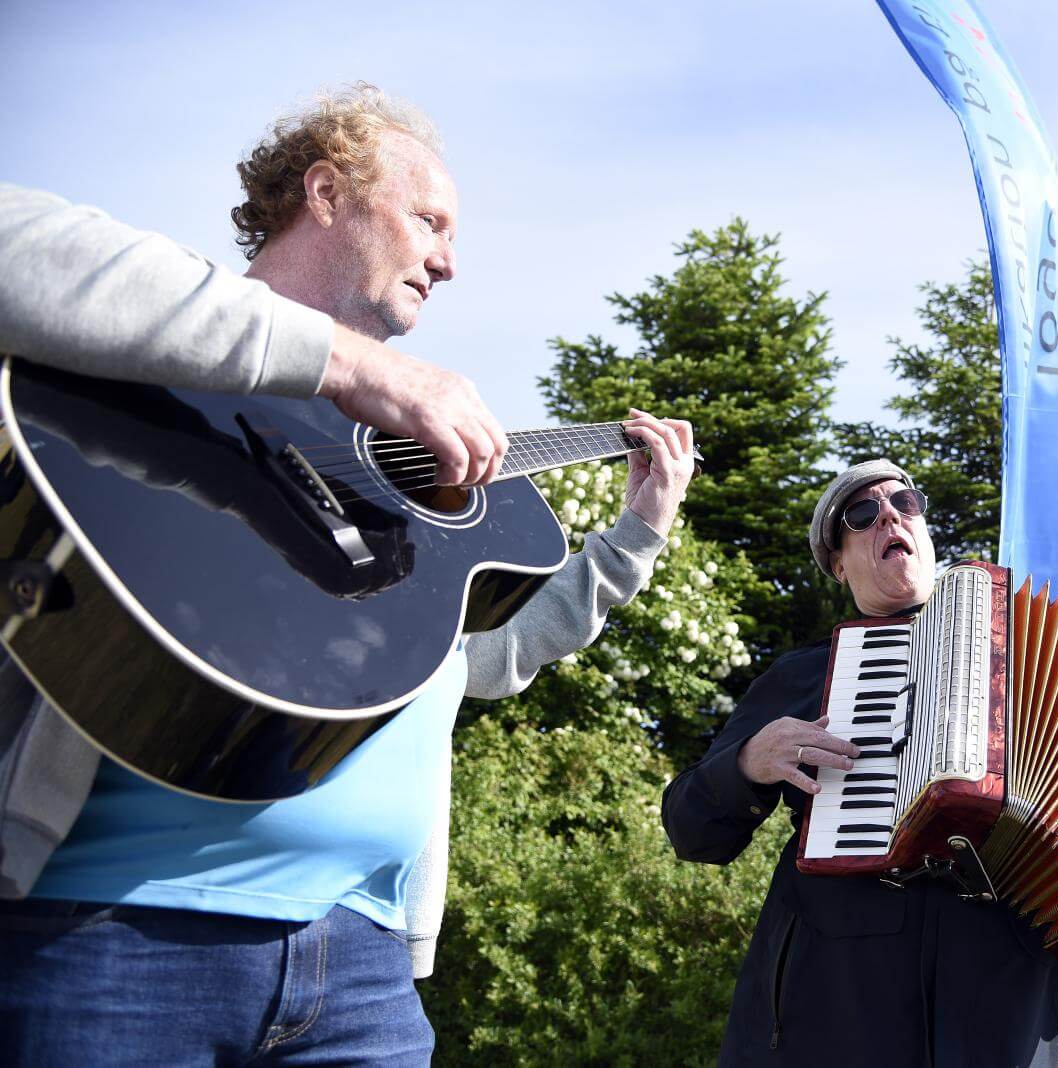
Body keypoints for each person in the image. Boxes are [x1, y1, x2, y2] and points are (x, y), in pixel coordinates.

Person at [0, 84, 694, 1065]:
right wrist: (357, 368)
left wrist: (634, 537)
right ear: (325, 192)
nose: (450, 261)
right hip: (110, 930)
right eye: (428, 220)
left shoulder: (396, 459)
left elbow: (482, 658)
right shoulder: (152, 333)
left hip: (361, 970)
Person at [662, 459, 1058, 1066]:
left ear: (925, 532)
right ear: (838, 563)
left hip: (1007, 1010)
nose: (890, 517)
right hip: (837, 1002)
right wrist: (746, 761)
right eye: (862, 513)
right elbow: (692, 829)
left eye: (904, 503)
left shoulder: (1041, 660)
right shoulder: (804, 678)